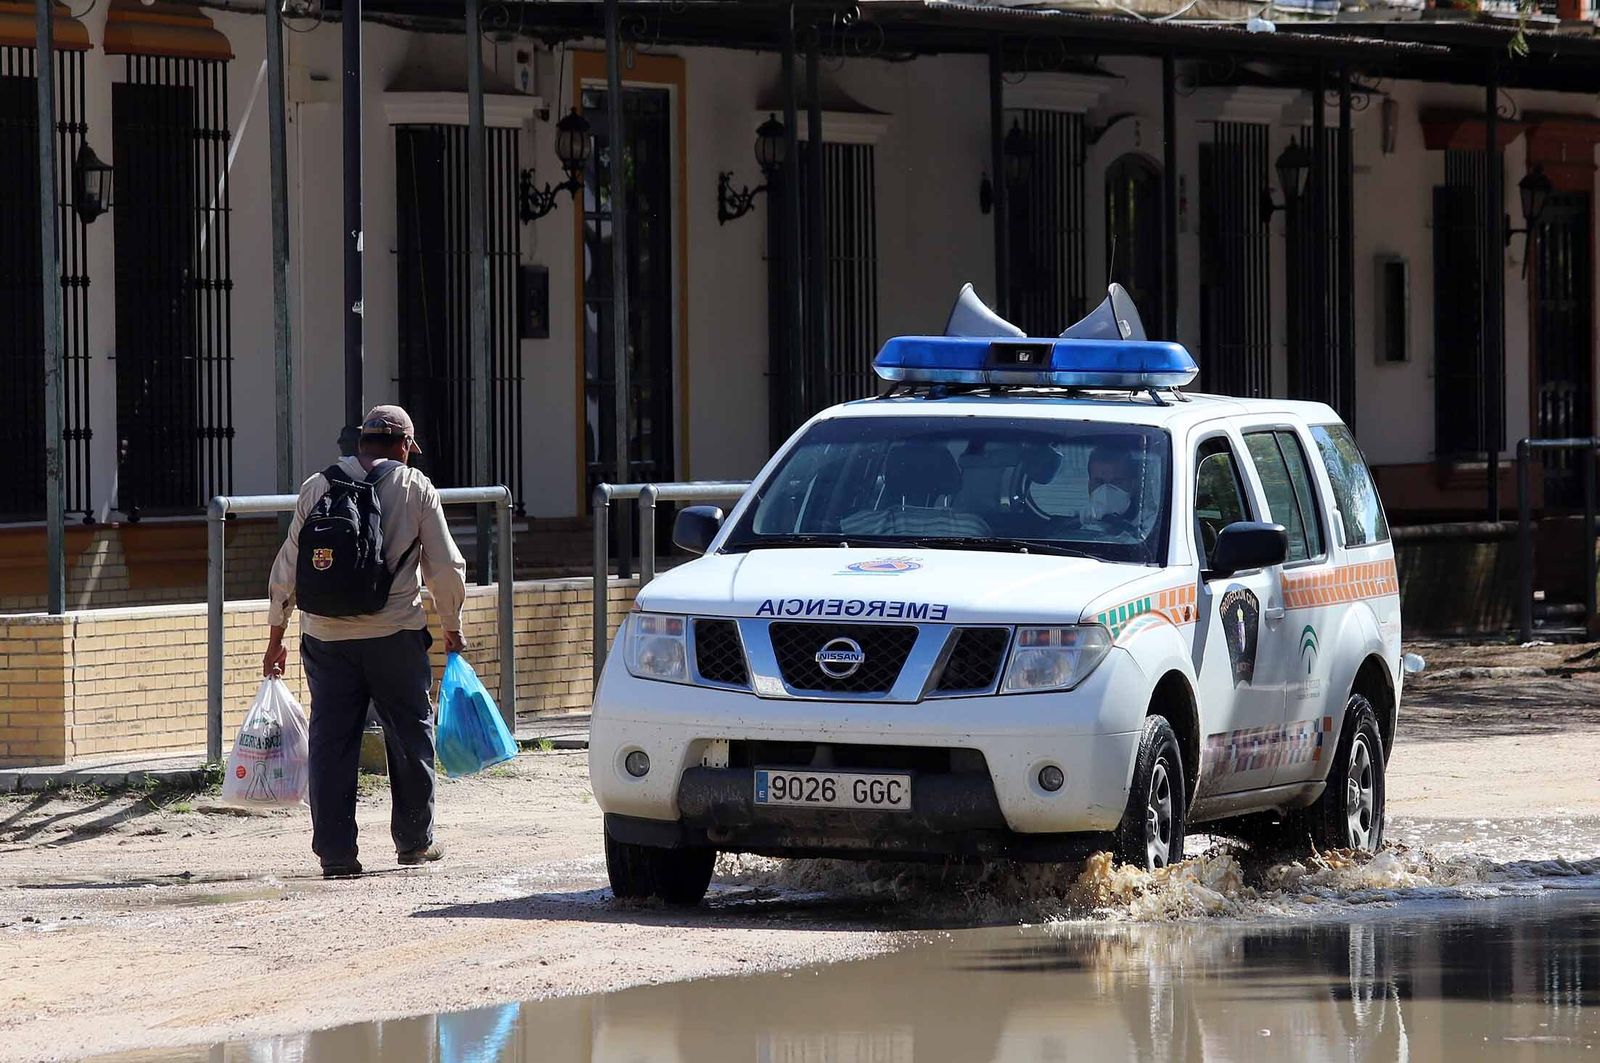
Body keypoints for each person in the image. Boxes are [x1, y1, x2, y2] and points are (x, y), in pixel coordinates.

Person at [262, 405, 467, 878]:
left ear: (361, 443)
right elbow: (445, 567)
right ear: (403, 446)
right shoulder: (415, 487)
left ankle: (336, 853)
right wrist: (452, 625)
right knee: (411, 733)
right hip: (394, 633)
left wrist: (276, 637)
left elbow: (286, 568)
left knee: (332, 742)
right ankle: (415, 841)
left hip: (325, 637)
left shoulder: (318, 485)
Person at [1081, 442, 1139, 529]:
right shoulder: (1071, 531)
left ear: (1133, 485)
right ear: (1089, 486)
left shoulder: (1145, 529)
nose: (1106, 490)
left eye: (1117, 482)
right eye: (1099, 482)